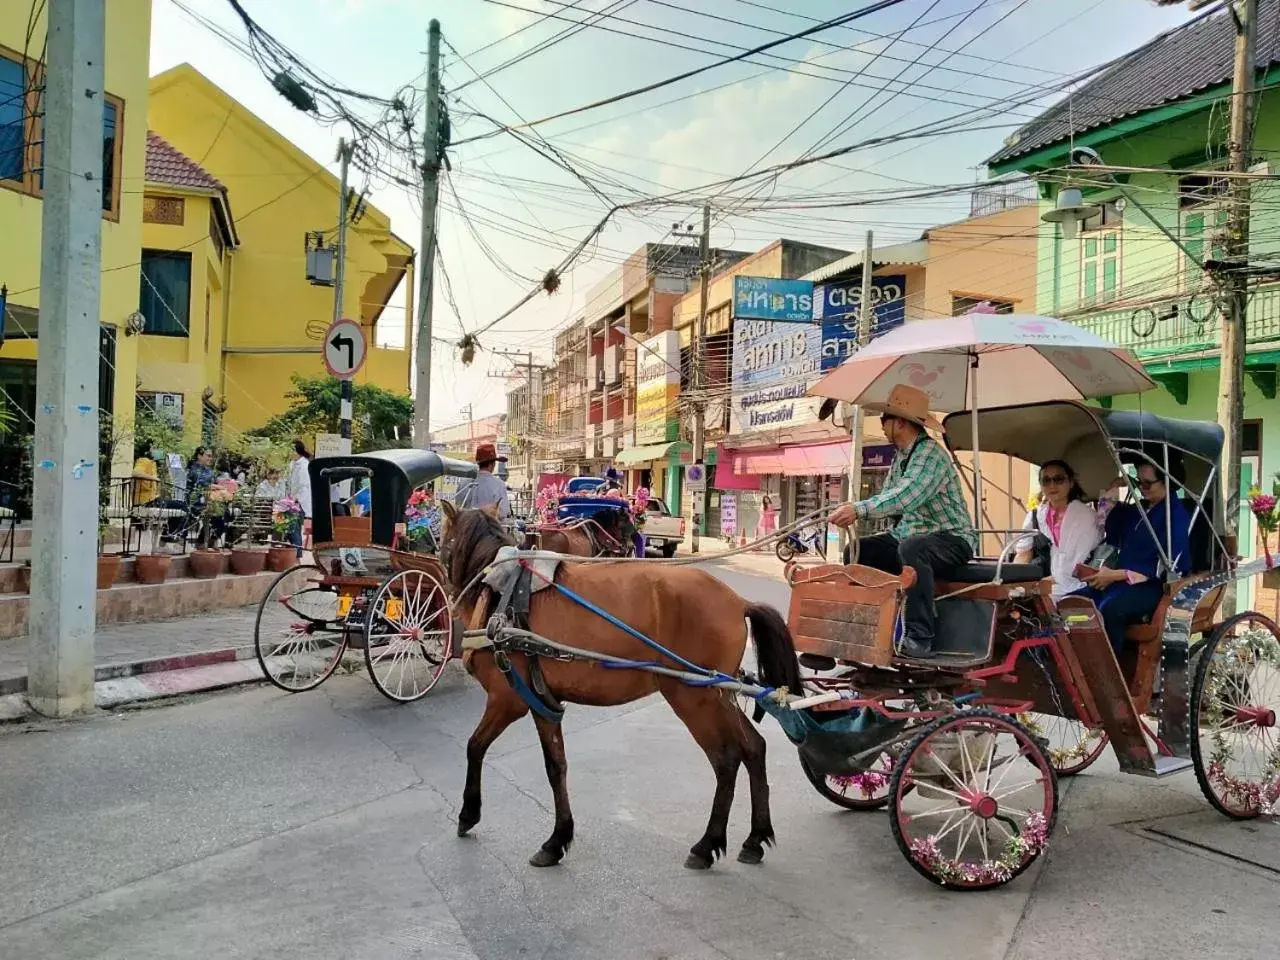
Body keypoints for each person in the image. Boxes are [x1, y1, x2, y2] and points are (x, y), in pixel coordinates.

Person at [828, 383, 977, 660]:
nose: (881, 424)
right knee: (858, 551)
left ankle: (919, 637)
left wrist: (859, 509)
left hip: (951, 539)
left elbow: (906, 496)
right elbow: (889, 498)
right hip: (908, 536)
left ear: (900, 423)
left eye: (885, 418)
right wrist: (852, 510)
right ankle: (862, 628)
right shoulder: (902, 457)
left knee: (913, 548)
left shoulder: (930, 455)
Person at [1071, 463, 1190, 654]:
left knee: (1109, 608)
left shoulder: (1176, 515)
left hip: (1152, 586)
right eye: (1138, 482)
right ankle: (1077, 659)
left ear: (1167, 482)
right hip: (1117, 581)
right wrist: (1112, 490)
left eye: (1147, 483)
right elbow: (1104, 523)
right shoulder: (1137, 509)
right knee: (1073, 603)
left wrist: (1117, 575)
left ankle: (1110, 664)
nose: (1142, 488)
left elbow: (1170, 564)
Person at [1012, 460, 1100, 599]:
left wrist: (1052, 581)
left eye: (1058, 479)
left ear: (1071, 482)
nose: (1052, 485)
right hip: (1041, 586)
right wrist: (1014, 580)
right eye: (1046, 481)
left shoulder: (1087, 516)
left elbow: (1079, 560)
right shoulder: (1034, 516)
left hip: (1079, 586)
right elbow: (1024, 554)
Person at [453, 442, 511, 520]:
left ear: (479, 464)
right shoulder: (499, 484)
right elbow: (503, 512)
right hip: (487, 526)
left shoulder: (463, 483)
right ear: (492, 464)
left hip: (465, 525)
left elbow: (458, 506)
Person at [286, 440, 313, 558]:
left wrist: (296, 498)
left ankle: (297, 555)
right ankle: (293, 554)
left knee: (294, 529)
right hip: (290, 501)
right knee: (289, 529)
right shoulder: (293, 464)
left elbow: (304, 485)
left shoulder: (303, 465)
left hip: (298, 502)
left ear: (296, 451)